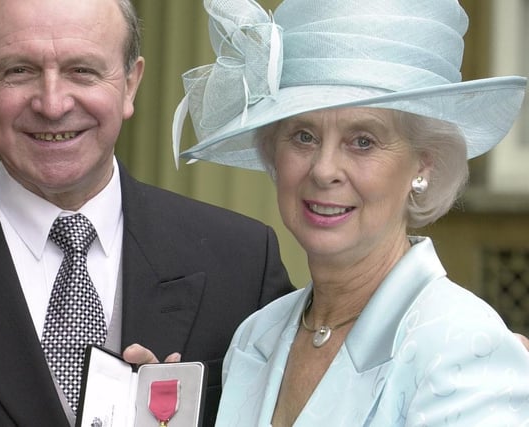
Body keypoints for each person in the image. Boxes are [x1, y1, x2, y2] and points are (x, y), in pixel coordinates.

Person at [0, 0, 294, 425]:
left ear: (130, 83)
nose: (52, 103)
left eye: (82, 70)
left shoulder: (242, 264)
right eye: (18, 71)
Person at [173, 0, 529, 425]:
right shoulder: (257, 335)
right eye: (303, 136)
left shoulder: (464, 349)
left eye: (363, 141)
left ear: (424, 163)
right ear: (273, 152)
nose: (324, 170)